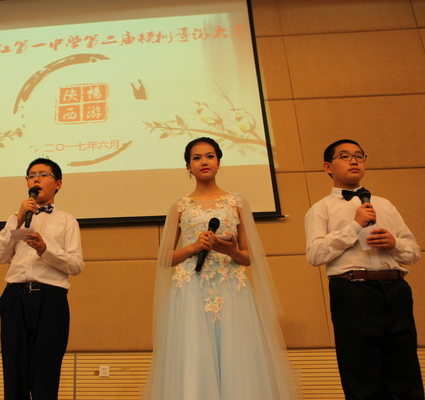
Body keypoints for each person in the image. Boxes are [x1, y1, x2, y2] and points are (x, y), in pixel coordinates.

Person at [145, 137, 301, 400]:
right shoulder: (179, 206)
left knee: (236, 355)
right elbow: (165, 259)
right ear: (188, 166)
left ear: (219, 162)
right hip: (191, 289)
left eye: (209, 156)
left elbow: (248, 257)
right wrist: (194, 247)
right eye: (196, 158)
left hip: (230, 288)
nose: (203, 162)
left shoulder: (237, 203)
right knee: (194, 355)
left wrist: (230, 250)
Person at [305, 139, 423, 400]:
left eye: (359, 156)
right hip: (353, 291)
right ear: (328, 167)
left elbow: (413, 253)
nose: (354, 161)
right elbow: (315, 254)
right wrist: (354, 226)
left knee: (404, 369)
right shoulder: (321, 209)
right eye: (345, 156)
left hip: (394, 289)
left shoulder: (385, 204)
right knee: (361, 373)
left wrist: (394, 243)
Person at [0, 157, 84, 400]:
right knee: (14, 374)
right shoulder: (17, 218)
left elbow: (76, 265)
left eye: (43, 175)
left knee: (46, 373)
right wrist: (17, 219)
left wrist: (45, 250)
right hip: (15, 297)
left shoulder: (67, 221)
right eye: (31, 175)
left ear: (58, 184)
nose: (36, 179)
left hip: (51, 299)